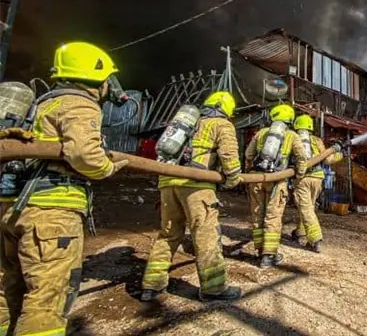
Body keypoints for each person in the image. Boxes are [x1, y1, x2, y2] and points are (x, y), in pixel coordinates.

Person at [0, 42, 130, 335]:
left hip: (11, 206)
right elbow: (85, 155)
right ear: (96, 76)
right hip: (51, 214)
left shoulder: (43, 103)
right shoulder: (79, 103)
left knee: (8, 287)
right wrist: (107, 168)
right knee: (47, 298)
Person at [140, 91, 243, 302]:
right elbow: (229, 158)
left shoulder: (188, 123)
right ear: (227, 109)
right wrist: (232, 181)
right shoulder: (221, 124)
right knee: (205, 235)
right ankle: (214, 288)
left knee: (168, 234)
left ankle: (152, 286)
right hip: (197, 186)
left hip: (167, 182)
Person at [244, 104, 307, 268]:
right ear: (290, 119)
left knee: (257, 215)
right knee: (273, 217)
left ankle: (259, 251)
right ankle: (269, 256)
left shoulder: (261, 133)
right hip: (277, 181)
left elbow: (248, 154)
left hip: (256, 179)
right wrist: (299, 175)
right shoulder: (292, 135)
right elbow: (302, 158)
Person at [290, 114, 343, 253]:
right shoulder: (316, 140)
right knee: (309, 207)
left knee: (305, 208)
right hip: (317, 178)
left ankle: (315, 239)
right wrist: (340, 155)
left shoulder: (293, 139)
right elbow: (328, 160)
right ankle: (300, 232)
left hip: (302, 178)